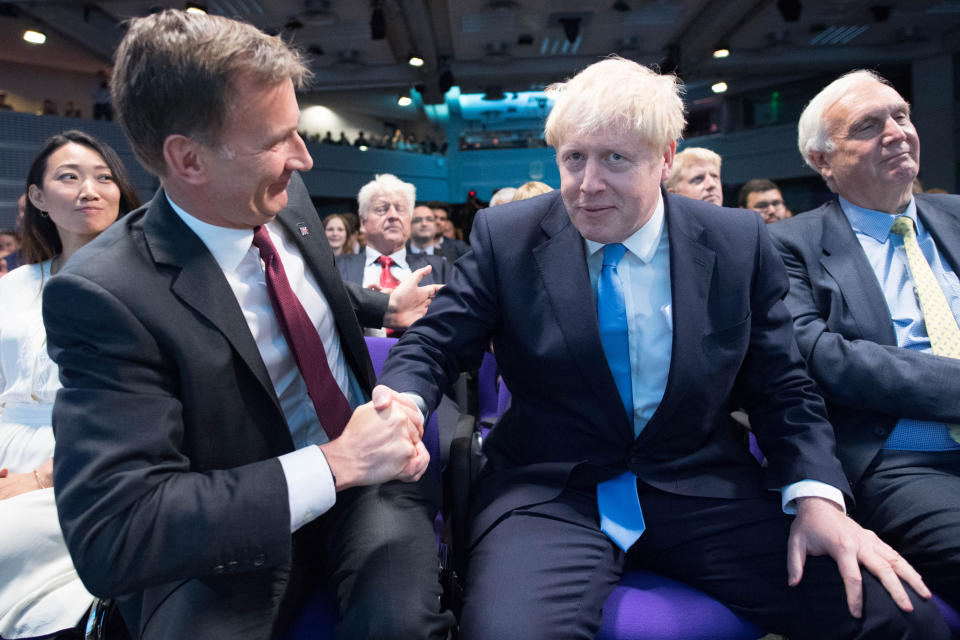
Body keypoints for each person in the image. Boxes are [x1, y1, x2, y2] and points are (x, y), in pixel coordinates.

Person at [378, 56, 946, 639]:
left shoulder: (736, 242)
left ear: (666, 157)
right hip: (551, 493)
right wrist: (401, 402)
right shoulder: (510, 236)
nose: (588, 183)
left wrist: (817, 497)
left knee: (902, 619)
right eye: (574, 157)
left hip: (701, 486)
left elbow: (783, 386)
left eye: (615, 159)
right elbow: (434, 343)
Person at [42, 10, 452, 639]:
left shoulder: (282, 196)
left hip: (368, 488)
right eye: (275, 141)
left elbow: (307, 287)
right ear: (189, 159)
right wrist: (335, 462)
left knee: (401, 625)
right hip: (234, 531)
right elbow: (114, 534)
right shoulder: (105, 295)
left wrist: (383, 309)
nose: (305, 159)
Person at [769, 69, 960, 612]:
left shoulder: (956, 216)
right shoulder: (788, 244)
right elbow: (820, 356)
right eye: (869, 126)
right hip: (904, 462)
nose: (897, 132)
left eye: (901, 115)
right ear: (822, 161)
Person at [0, 130, 141, 638]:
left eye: (104, 178)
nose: (90, 189)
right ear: (37, 198)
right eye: (69, 177)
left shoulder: (142, 286)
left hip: (82, 463)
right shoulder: (13, 286)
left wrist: (36, 479)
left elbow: (133, 412)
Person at [337, 174, 448, 291]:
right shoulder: (337, 268)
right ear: (363, 222)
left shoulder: (439, 269)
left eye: (400, 209)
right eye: (381, 209)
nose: (393, 216)